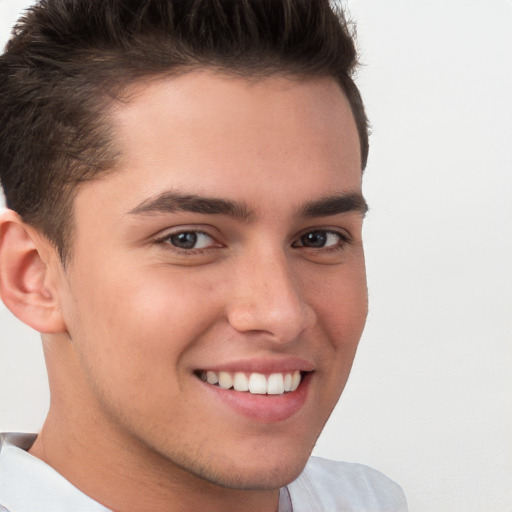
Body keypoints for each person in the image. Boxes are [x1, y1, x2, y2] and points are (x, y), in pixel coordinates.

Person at [0, 1, 408, 511]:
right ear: (32, 276)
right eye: (188, 239)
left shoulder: (370, 502)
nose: (282, 314)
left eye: (318, 238)